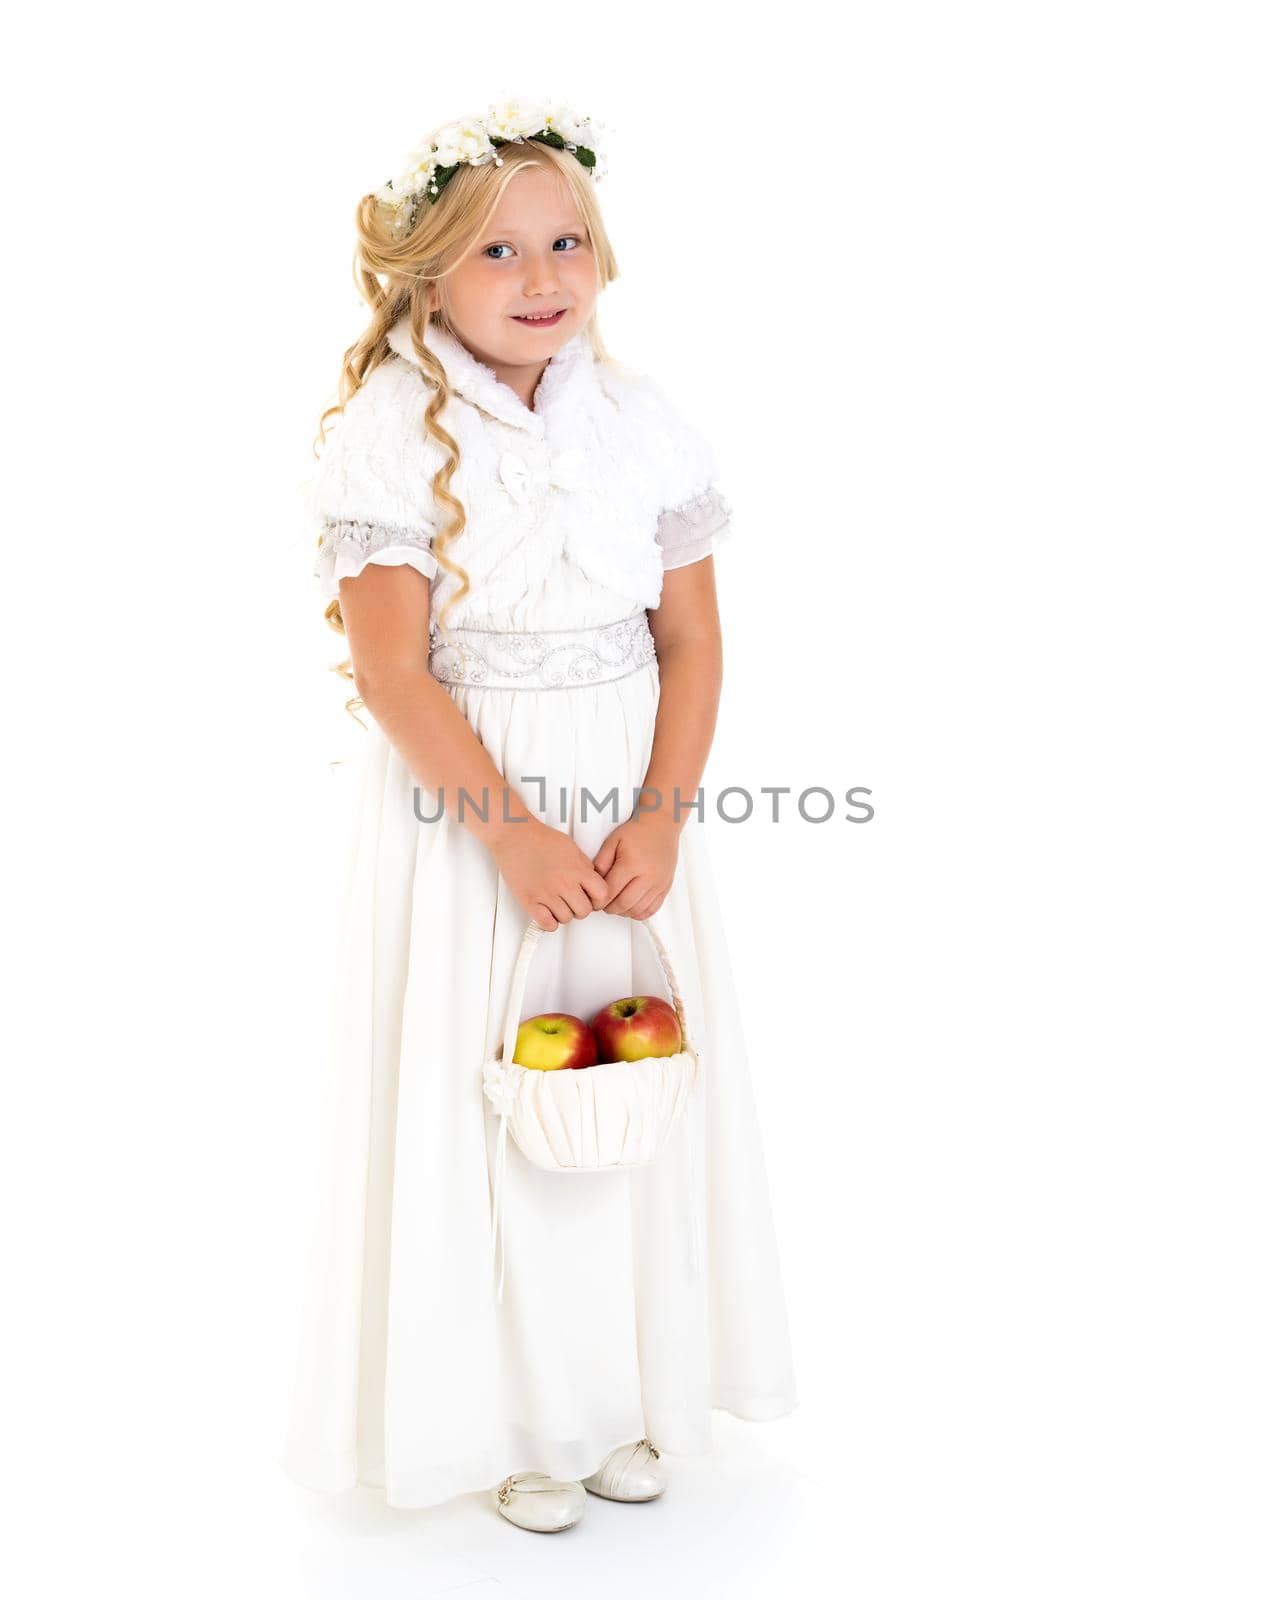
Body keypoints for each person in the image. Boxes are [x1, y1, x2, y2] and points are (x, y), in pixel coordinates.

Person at [280, 99, 798, 1535]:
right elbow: (392, 669)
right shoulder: (389, 436)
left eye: (565, 239)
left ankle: (621, 1396)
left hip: (627, 804)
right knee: (487, 1094)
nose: (541, 274)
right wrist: (507, 831)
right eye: (498, 250)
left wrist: (665, 818)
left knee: (625, 1086)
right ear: (425, 276)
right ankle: (505, 1417)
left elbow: (691, 642)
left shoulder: (642, 425)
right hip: (471, 811)